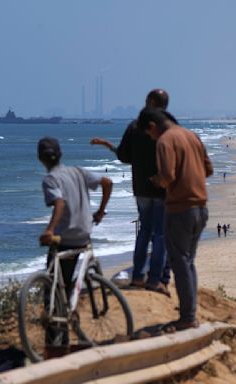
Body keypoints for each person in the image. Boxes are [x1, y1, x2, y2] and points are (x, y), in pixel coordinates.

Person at [90, 89, 172, 297]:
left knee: (145, 230)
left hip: (142, 189)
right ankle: (155, 279)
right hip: (163, 189)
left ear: (150, 102)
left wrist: (110, 146)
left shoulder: (135, 127)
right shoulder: (167, 128)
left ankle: (137, 276)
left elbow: (124, 156)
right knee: (160, 234)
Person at [138, 107, 213, 331]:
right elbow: (208, 169)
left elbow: (168, 176)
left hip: (180, 209)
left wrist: (156, 180)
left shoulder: (164, 141)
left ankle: (188, 318)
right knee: (188, 262)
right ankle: (190, 313)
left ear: (152, 126)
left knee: (179, 263)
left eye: (148, 134)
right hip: (201, 206)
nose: (151, 138)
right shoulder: (192, 136)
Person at [38, 136, 112, 298]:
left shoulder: (50, 179)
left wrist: (50, 230)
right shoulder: (78, 171)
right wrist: (100, 211)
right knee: (68, 273)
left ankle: (55, 313)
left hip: (65, 238)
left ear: (40, 158)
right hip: (85, 234)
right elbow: (107, 182)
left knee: (54, 281)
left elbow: (59, 202)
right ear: (61, 154)